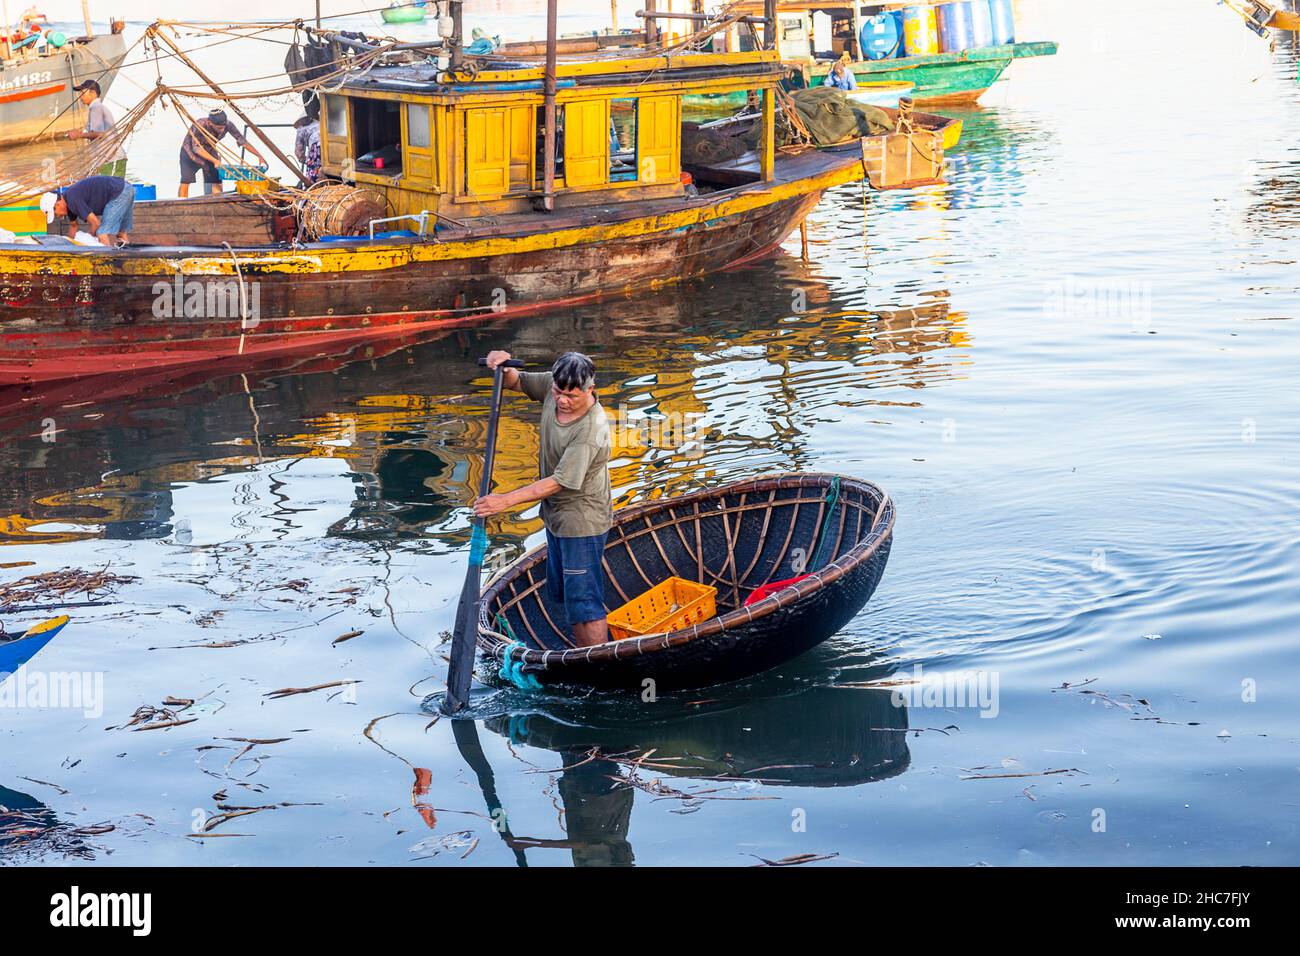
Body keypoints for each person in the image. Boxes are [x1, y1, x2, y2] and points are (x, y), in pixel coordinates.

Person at [474, 351, 613, 647]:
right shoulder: (556, 386)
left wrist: (504, 501)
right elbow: (518, 382)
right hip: (555, 518)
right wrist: (502, 365)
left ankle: (598, 659)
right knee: (566, 594)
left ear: (590, 390)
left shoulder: (592, 428)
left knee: (585, 603)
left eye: (571, 396)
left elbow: (560, 481)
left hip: (582, 522)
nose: (562, 400)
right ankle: (582, 652)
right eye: (558, 393)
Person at [178, 108, 266, 198]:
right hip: (190, 153)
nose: (222, 130)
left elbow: (242, 141)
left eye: (223, 127)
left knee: (216, 179)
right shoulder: (200, 124)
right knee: (186, 180)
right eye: (219, 128)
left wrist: (259, 156)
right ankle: (180, 205)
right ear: (210, 122)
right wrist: (215, 161)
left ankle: (217, 203)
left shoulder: (227, 124)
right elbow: (196, 148)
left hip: (210, 150)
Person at [40, 174, 134, 246]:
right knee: (121, 232)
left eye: (55, 213)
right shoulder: (68, 201)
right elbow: (73, 226)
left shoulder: (73, 200)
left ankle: (108, 264)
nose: (59, 217)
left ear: (58, 204)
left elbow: (96, 223)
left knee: (101, 233)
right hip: (126, 188)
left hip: (118, 192)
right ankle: (129, 260)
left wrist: (86, 239)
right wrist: (68, 246)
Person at [65, 80, 127, 177]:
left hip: (111, 159)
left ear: (93, 93)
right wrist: (81, 133)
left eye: (82, 93)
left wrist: (78, 135)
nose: (80, 97)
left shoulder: (96, 108)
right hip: (108, 160)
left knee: (108, 190)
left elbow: (100, 134)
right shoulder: (98, 108)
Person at [293, 112, 321, 184]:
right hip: (324, 145)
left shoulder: (300, 129)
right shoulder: (320, 123)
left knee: (313, 175)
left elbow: (298, 152)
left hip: (315, 148)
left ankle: (313, 185)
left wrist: (307, 162)